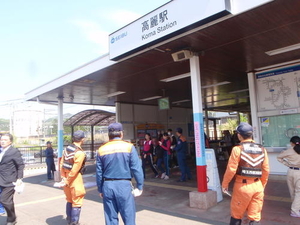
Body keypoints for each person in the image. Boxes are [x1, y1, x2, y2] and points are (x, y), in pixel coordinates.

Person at [96, 122, 144, 225]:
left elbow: (99, 172)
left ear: (109, 134)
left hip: (107, 186)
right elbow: (136, 169)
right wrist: (139, 186)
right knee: (129, 217)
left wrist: (100, 189)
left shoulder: (101, 149)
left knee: (111, 219)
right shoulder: (129, 147)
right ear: (121, 134)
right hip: (124, 186)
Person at [222, 122, 269, 225]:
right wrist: (262, 185)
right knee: (255, 217)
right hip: (257, 186)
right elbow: (266, 170)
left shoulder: (237, 149)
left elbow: (231, 169)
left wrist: (225, 185)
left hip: (242, 187)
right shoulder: (262, 149)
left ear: (239, 135)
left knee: (236, 215)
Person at [60, 130, 87, 225]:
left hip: (66, 179)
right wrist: (68, 180)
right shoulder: (80, 153)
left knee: (69, 200)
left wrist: (63, 178)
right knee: (77, 201)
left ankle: (69, 220)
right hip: (75, 179)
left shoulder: (66, 150)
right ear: (82, 140)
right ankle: (74, 222)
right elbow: (75, 170)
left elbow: (61, 164)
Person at [0, 133, 24, 225]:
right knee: (8, 200)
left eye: (5, 140)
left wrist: (19, 178)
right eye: (2, 139)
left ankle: (11, 218)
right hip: (1, 179)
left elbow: (20, 165)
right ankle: (12, 218)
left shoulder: (14, 151)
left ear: (10, 142)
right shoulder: (1, 151)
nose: (2, 141)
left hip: (10, 180)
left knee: (4, 200)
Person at [277, 136, 300, 218]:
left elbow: (279, 157)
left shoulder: (289, 151)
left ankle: (296, 208)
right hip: (299, 172)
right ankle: (295, 210)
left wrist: (288, 164)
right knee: (299, 192)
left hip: (290, 172)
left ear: (292, 143)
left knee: (292, 191)